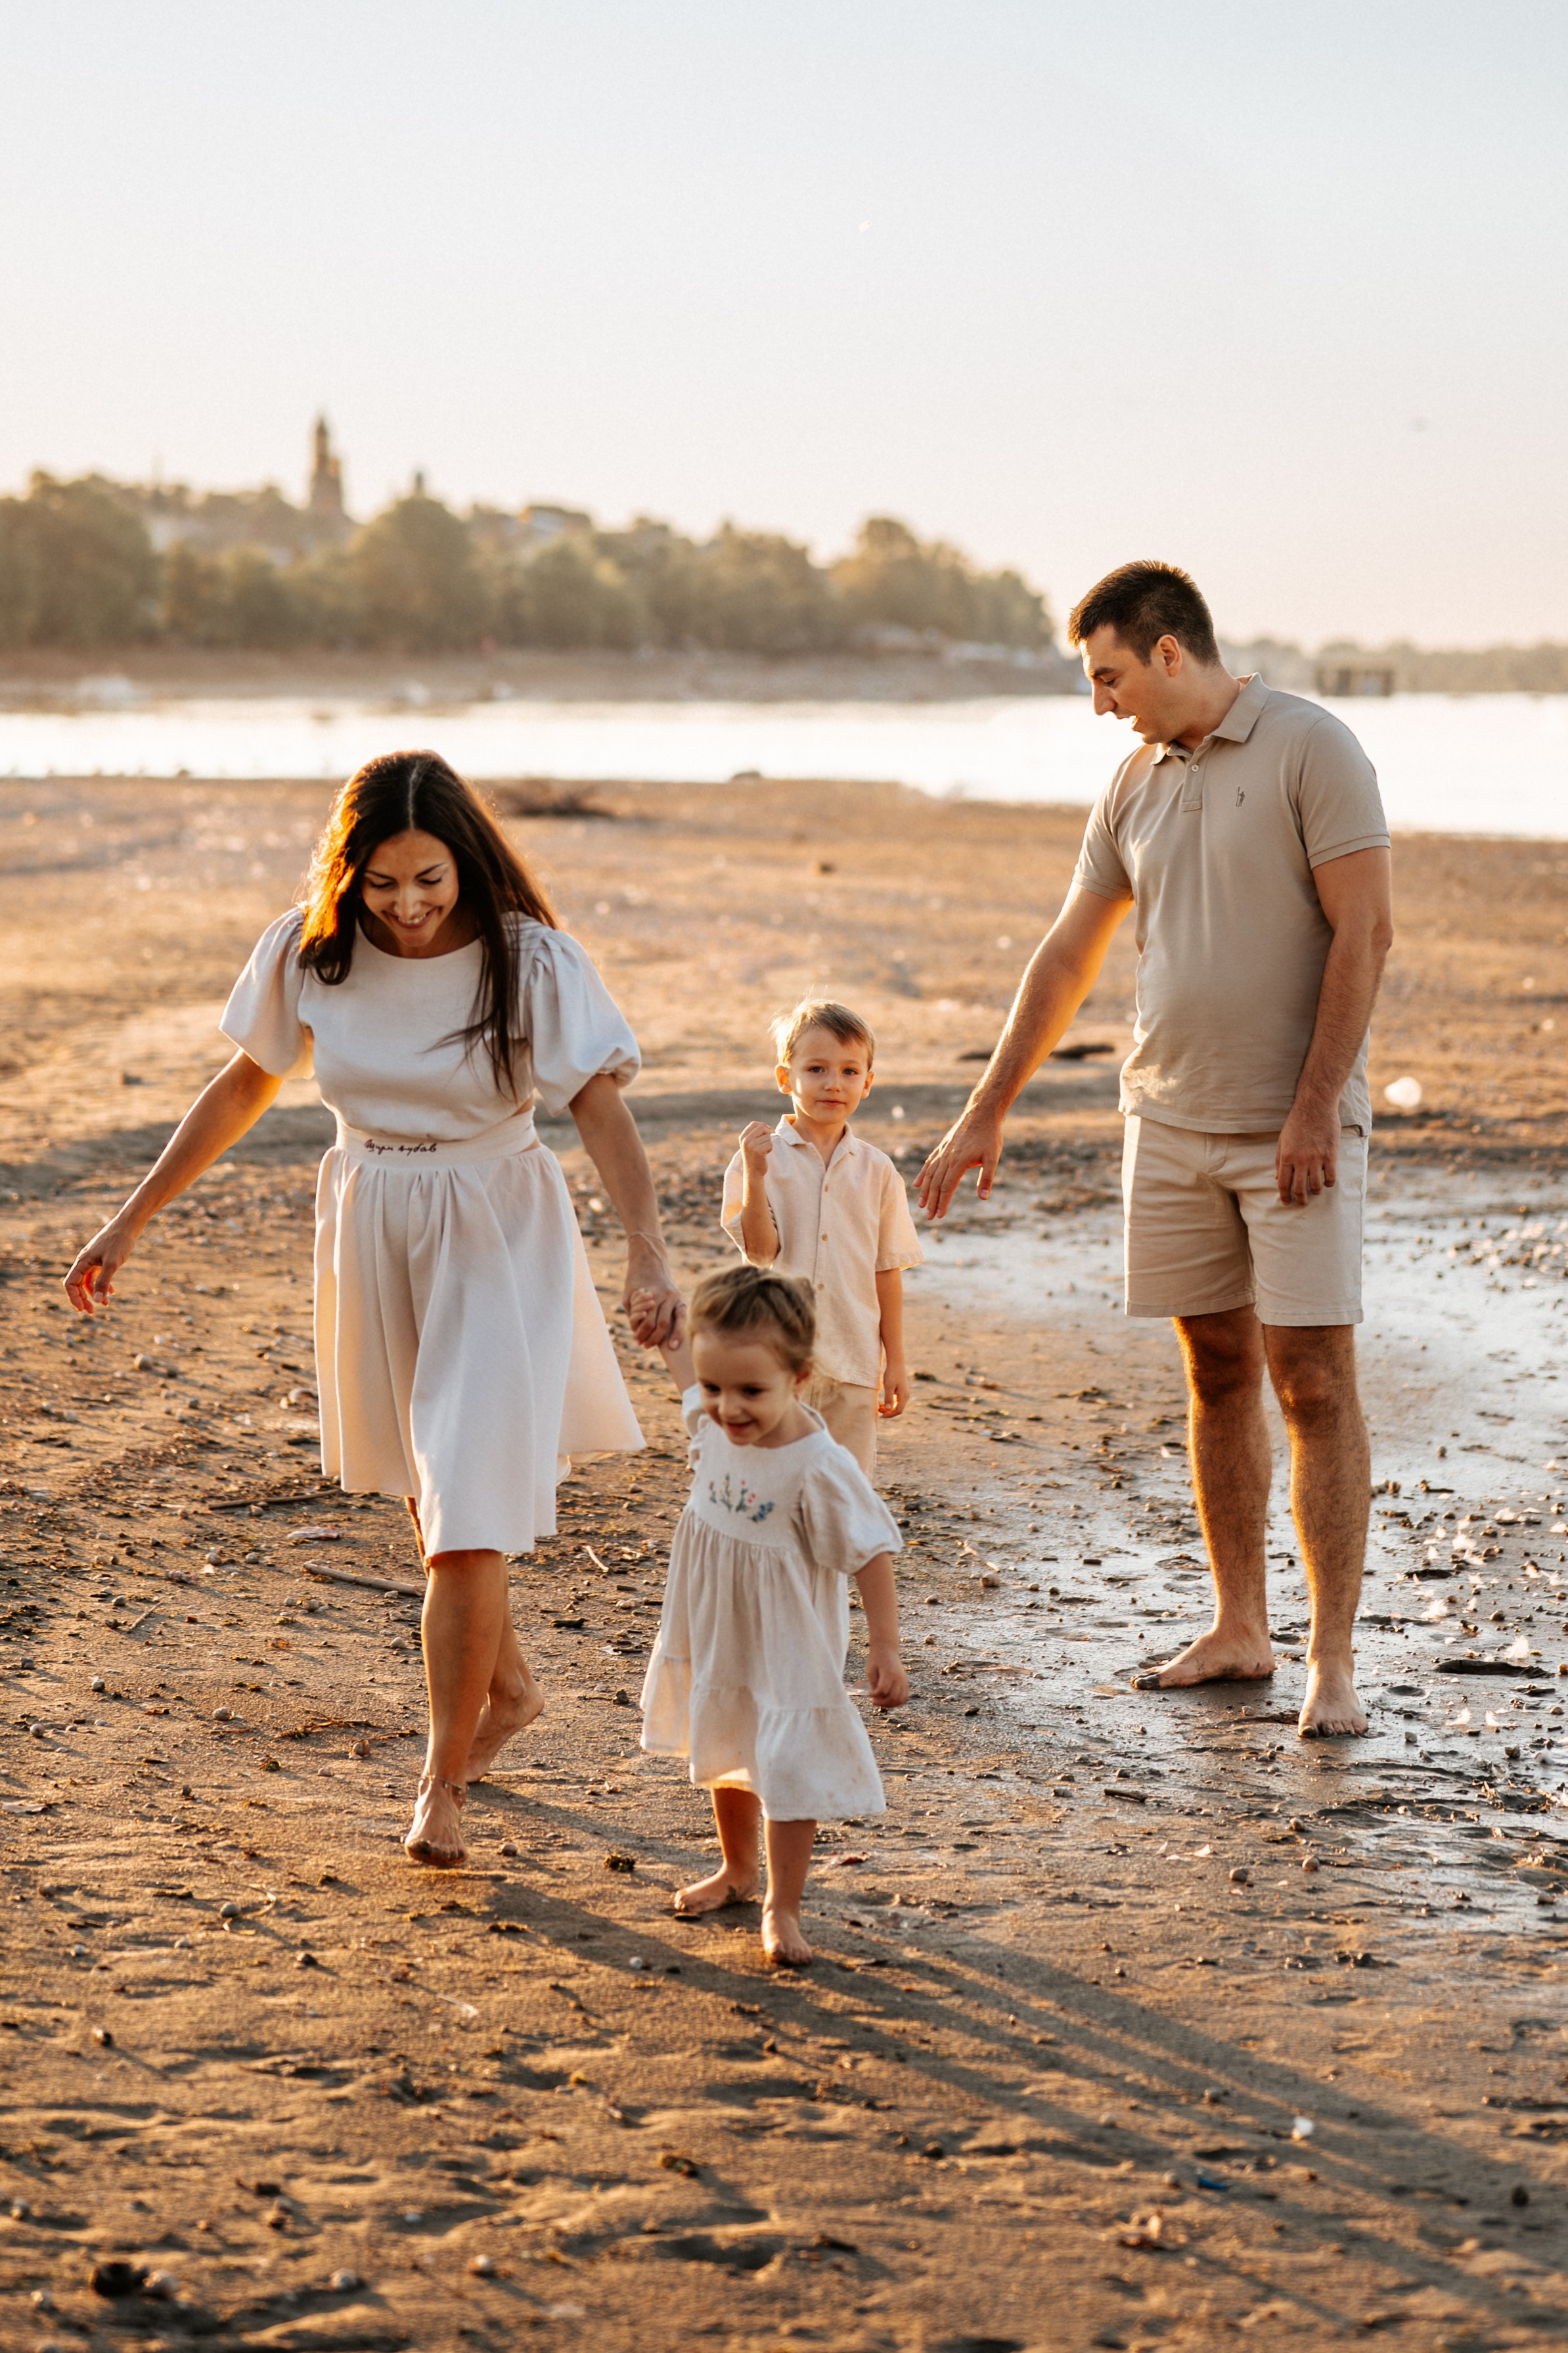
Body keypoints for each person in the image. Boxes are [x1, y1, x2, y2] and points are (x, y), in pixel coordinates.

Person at [64, 750, 681, 1863]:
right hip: (369, 1217)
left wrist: (648, 1252)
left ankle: (441, 1782)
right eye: (382, 883)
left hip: (494, 1226)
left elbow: (596, 1106)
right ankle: (510, 1689)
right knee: (427, 1487)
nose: (405, 905)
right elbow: (246, 1084)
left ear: (466, 861)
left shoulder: (528, 958)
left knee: (466, 1506)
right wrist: (130, 1218)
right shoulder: (313, 952)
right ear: (348, 873)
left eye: (429, 880)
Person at [917, 562, 1393, 1739]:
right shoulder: (1130, 783)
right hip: (1167, 1123)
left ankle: (1332, 1663)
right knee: (1216, 1370)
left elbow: (1365, 933)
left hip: (1290, 1131)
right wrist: (986, 1108)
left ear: (1168, 652)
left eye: (1108, 676)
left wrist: (1312, 1108)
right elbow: (1066, 954)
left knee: (1313, 1381)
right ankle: (1239, 1627)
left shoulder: (1311, 748)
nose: (1100, 703)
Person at [634, 1264, 909, 1966]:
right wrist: (664, 1320)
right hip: (719, 1624)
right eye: (715, 1386)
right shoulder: (714, 1416)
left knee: (785, 1762)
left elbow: (871, 1549)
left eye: (751, 1391)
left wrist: (884, 1644)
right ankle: (736, 1868)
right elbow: (684, 1368)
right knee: (727, 1737)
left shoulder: (817, 1464)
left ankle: (782, 1904)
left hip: (787, 1639)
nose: (727, 1408)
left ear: (799, 1376)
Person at [719, 999, 922, 1478]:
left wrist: (895, 1362)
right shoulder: (758, 1160)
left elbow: (886, 1270)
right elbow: (760, 1253)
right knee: (772, 1481)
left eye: (850, 1071)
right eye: (816, 1069)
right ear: (785, 1077)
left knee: (845, 1487)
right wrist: (755, 1175)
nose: (834, 1083)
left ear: (867, 1083)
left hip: (854, 1359)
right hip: (777, 1358)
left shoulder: (878, 1171)